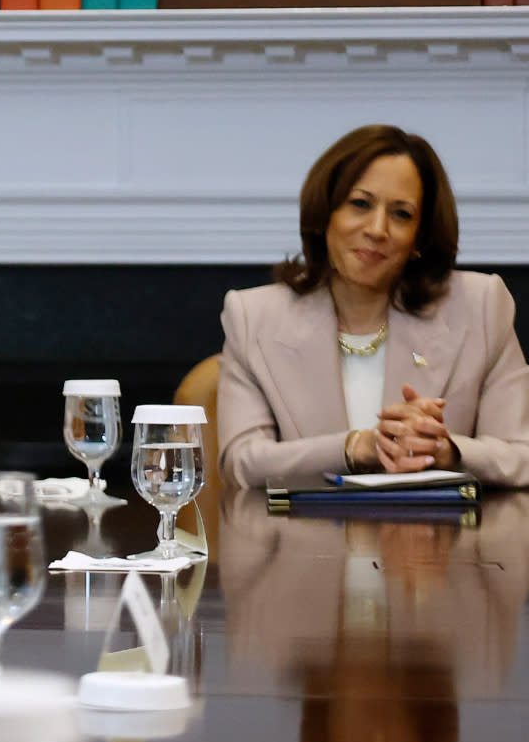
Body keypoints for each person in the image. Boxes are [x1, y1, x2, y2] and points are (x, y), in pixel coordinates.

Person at [218, 124, 529, 489]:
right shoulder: (252, 317)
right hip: (304, 542)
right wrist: (355, 447)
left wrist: (447, 451)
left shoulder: (481, 305)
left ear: (419, 237)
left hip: (442, 541)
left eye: (401, 214)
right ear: (325, 215)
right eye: (360, 204)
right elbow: (239, 464)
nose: (378, 229)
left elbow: (520, 456)